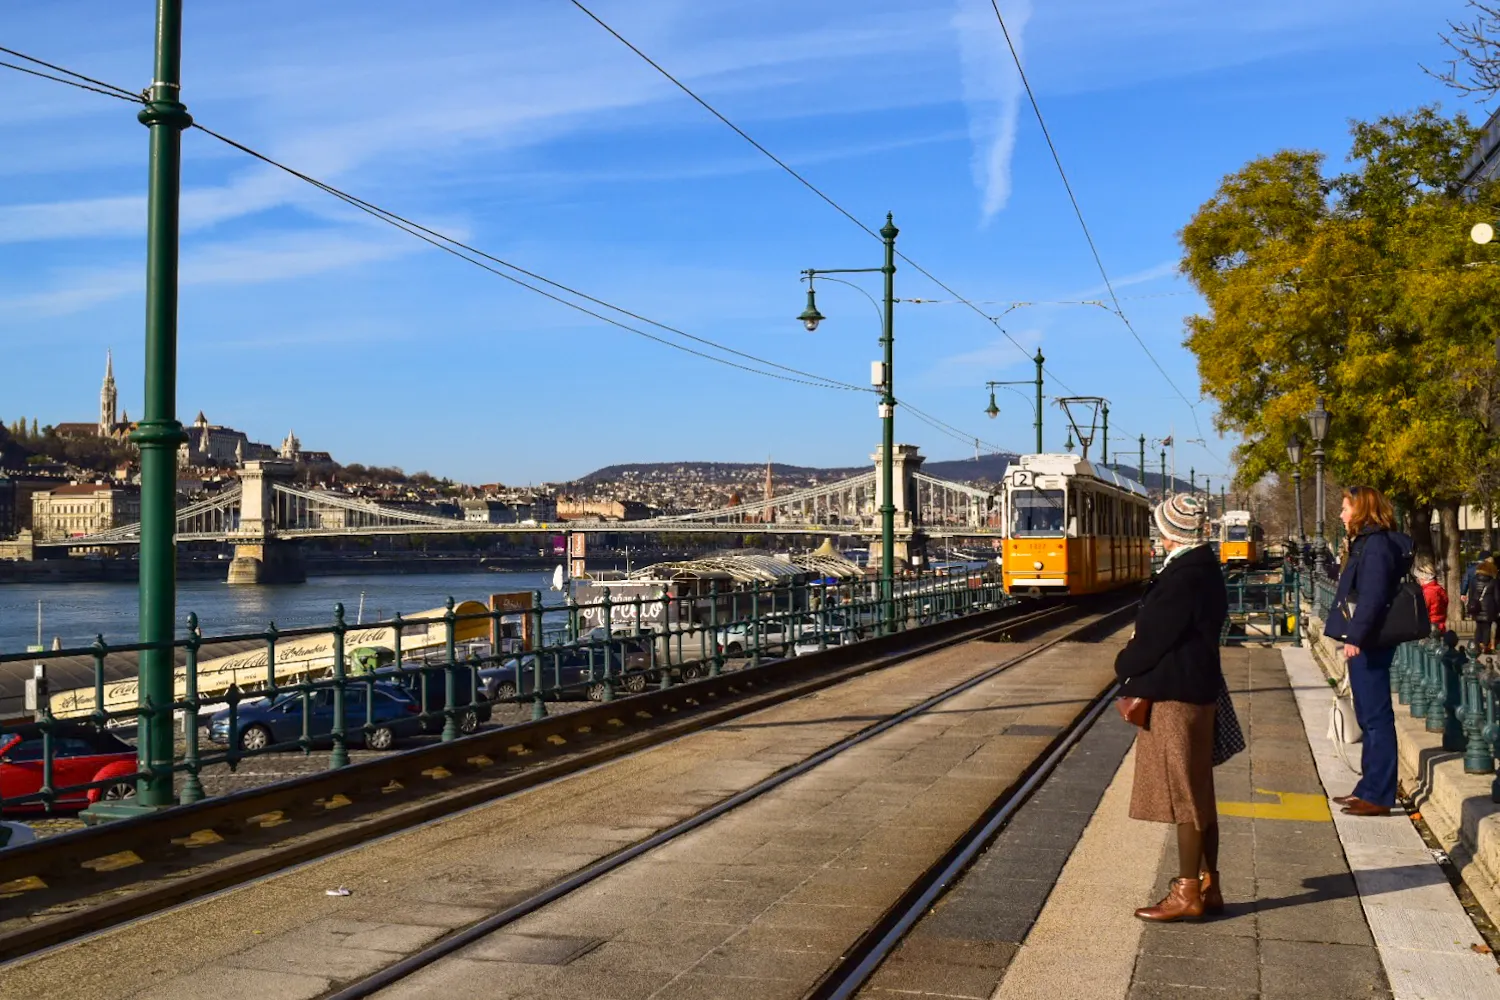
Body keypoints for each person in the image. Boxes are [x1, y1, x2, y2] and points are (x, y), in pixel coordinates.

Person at [1116, 493, 1229, 922]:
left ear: (1170, 532)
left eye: (1160, 528)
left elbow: (1153, 641)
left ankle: (1187, 893)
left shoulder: (1182, 577)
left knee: (1185, 795)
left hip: (1177, 697)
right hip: (1198, 690)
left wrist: (1122, 663)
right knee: (1199, 791)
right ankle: (1208, 883)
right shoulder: (1203, 569)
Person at [1323, 486, 1411, 817]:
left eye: (1346, 508)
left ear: (1360, 510)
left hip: (1369, 642)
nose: (1342, 515)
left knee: (1375, 719)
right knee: (1368, 716)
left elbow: (1372, 596)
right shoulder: (1371, 543)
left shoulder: (1375, 546)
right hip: (1367, 639)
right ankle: (1368, 787)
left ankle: (1378, 794)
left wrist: (1355, 636)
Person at [1469, 557, 1499, 651]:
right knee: (1487, 627)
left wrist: (1471, 606)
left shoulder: (1474, 580)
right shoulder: (1493, 581)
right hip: (1489, 608)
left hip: (1476, 607)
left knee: (1478, 627)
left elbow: (1471, 595)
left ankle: (1477, 644)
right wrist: (1498, 609)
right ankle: (1484, 645)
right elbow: (1497, 597)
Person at [1415, 557, 1448, 631]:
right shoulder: (1439, 589)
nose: (1418, 580)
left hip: (1430, 626)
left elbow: (1421, 610)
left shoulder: (1428, 592)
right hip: (1440, 625)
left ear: (1423, 577)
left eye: (1418, 578)